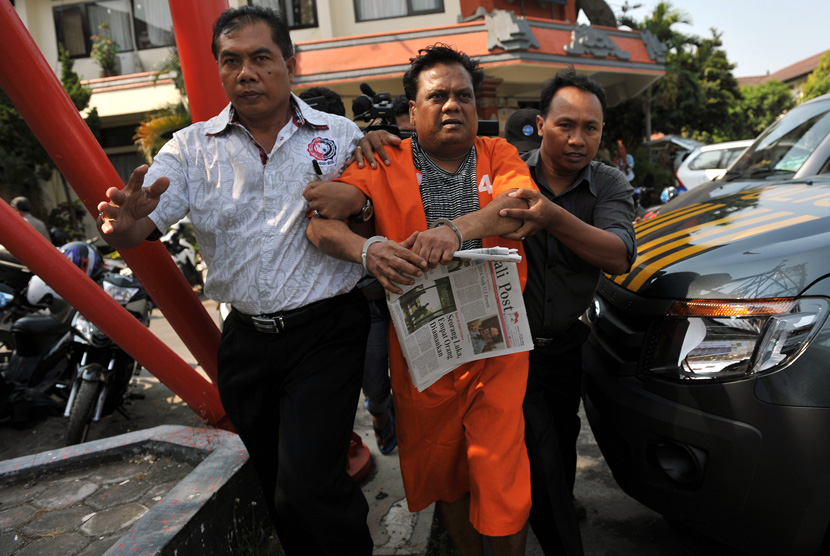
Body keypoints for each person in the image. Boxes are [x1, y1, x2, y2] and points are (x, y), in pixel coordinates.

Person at [95, 6, 373, 555]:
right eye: (232, 61)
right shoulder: (189, 149)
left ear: (290, 64)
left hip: (327, 333)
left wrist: (363, 193)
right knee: (276, 487)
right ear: (219, 69)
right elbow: (135, 225)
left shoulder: (339, 136)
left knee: (308, 488)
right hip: (246, 343)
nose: (247, 72)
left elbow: (376, 208)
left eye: (261, 58)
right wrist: (125, 226)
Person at [303, 43, 537, 556]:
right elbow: (321, 224)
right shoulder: (384, 157)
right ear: (413, 111)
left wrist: (454, 231)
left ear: (478, 107)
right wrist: (367, 251)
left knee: (501, 476)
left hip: (495, 347)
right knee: (444, 471)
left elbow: (522, 207)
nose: (453, 105)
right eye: (438, 96)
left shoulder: (498, 154)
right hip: (420, 351)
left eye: (464, 96)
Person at [498, 68, 637, 556]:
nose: (578, 139)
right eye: (565, 125)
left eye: (591, 128)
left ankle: (550, 503)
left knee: (559, 437)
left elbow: (618, 255)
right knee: (543, 457)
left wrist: (552, 217)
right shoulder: (509, 171)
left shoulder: (609, 183)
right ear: (540, 124)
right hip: (508, 348)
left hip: (568, 347)